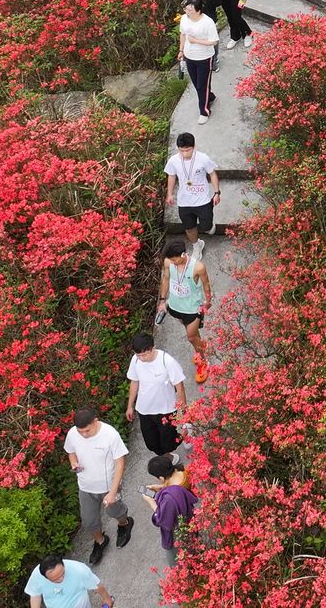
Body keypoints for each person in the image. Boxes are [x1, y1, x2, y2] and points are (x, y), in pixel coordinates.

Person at [63, 409, 133, 566]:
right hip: (85, 485)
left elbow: (120, 463)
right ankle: (100, 541)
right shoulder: (73, 433)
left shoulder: (110, 434)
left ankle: (124, 524)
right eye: (81, 432)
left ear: (95, 420)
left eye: (87, 430)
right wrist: (73, 463)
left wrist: (113, 492)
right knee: (88, 520)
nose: (84, 435)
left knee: (114, 511)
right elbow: (71, 452)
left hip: (107, 485)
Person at [157, 237, 212, 383]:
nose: (173, 263)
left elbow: (206, 284)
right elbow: (166, 279)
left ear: (183, 254)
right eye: (171, 260)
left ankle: (204, 361)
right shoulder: (169, 262)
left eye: (176, 260)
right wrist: (162, 301)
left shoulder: (198, 266)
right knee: (192, 333)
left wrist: (208, 300)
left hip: (193, 308)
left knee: (190, 337)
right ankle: (200, 344)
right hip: (175, 306)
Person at [126, 335, 186, 457]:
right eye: (139, 355)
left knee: (169, 443)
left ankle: (185, 433)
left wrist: (183, 408)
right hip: (145, 409)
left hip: (166, 409)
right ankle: (166, 458)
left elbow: (179, 385)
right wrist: (130, 406)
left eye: (145, 354)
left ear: (153, 348)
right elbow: (134, 382)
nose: (142, 358)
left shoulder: (167, 361)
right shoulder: (135, 360)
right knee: (151, 444)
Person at [142, 454, 199, 568]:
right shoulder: (182, 473)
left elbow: (163, 519)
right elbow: (176, 486)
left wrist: (150, 501)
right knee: (193, 542)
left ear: (161, 477)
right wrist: (162, 487)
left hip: (177, 530)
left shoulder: (169, 499)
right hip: (189, 516)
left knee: (175, 558)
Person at [164, 131, 220, 248]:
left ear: (194, 147)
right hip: (184, 202)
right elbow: (172, 176)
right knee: (189, 227)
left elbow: (212, 174)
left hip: (202, 200)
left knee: (207, 227)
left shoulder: (203, 158)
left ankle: (209, 226)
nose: (184, 153)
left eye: (187, 150)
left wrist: (216, 192)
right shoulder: (173, 161)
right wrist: (169, 194)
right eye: (181, 150)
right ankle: (196, 245)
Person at [177, 0, 219, 125]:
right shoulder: (184, 19)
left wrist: (196, 41)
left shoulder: (207, 22)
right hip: (189, 56)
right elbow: (183, 34)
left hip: (204, 58)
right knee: (196, 83)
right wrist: (181, 50)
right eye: (187, 9)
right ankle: (209, 96)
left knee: (202, 85)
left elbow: (213, 41)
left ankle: (204, 111)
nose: (187, 12)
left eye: (190, 10)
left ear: (199, 10)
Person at [25, 554, 114, 608]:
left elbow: (96, 585)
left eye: (62, 574)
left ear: (63, 564)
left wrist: (107, 598)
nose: (61, 579)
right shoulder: (37, 574)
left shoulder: (79, 570)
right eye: (55, 579)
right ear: (45, 577)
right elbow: (35, 594)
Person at [190, 0, 221, 72]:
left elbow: (197, 11)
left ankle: (208, 61)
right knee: (214, 42)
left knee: (206, 44)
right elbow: (217, 3)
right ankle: (215, 61)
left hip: (204, 24)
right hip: (214, 21)